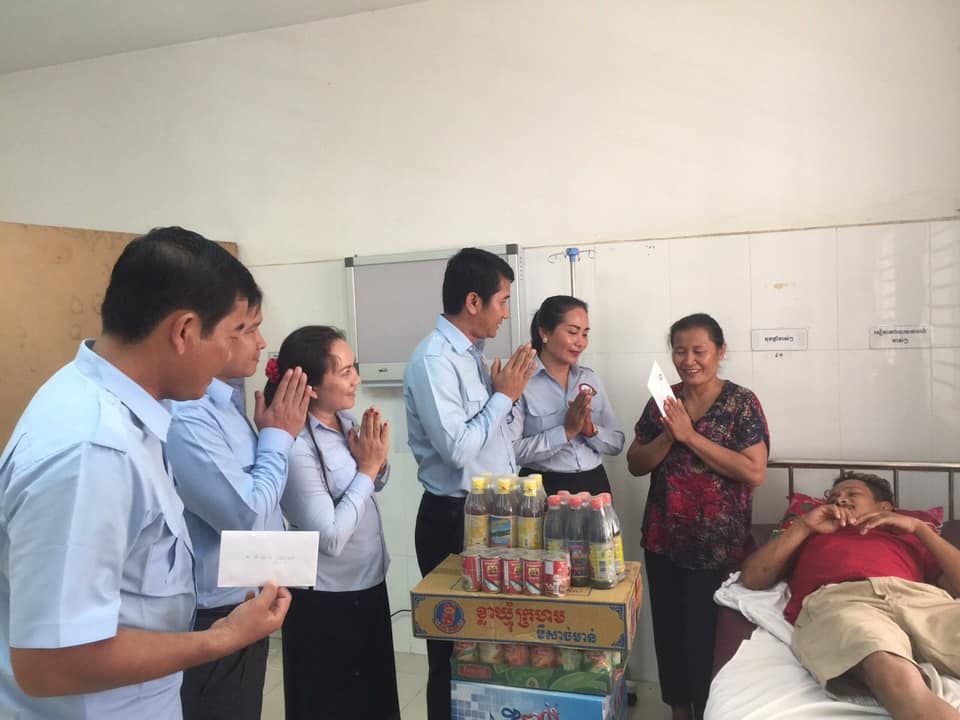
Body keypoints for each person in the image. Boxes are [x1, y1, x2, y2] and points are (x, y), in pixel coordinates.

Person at [0, 227, 291, 720]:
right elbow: (50, 663)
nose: (235, 354)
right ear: (184, 331)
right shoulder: (92, 452)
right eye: (233, 334)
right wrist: (221, 637)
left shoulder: (114, 407)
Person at [166, 279, 313, 719]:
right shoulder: (188, 415)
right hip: (215, 614)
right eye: (247, 329)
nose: (261, 342)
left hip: (247, 603)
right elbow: (244, 516)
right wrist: (277, 437)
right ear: (199, 331)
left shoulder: (227, 402)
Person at [404, 247, 537, 720]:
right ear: (474, 301)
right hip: (453, 520)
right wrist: (503, 397)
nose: (506, 314)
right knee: (453, 650)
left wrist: (507, 398)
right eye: (503, 302)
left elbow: (494, 441)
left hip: (491, 513)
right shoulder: (434, 360)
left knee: (490, 647)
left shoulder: (473, 357)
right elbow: (457, 450)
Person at [626, 312, 768, 720]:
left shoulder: (741, 403)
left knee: (708, 640)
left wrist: (690, 436)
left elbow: (753, 471)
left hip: (717, 547)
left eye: (699, 351)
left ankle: (709, 712)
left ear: (720, 352)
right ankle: (679, 713)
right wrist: (669, 436)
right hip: (664, 539)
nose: (689, 360)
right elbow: (635, 463)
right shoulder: (664, 400)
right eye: (680, 351)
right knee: (670, 634)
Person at [741, 472, 960, 720]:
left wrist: (920, 529)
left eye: (852, 494)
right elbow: (752, 579)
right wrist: (803, 526)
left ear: (884, 507)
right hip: (843, 600)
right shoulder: (809, 534)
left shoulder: (909, 535)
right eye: (833, 497)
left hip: (917, 599)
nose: (840, 500)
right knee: (888, 668)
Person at [276, 326, 399, 720]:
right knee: (332, 705)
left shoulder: (344, 421)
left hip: (368, 584)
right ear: (311, 387)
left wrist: (376, 463)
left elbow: (370, 483)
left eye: (354, 368)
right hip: (326, 601)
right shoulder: (296, 446)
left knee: (374, 703)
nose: (356, 379)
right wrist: (368, 469)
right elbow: (329, 537)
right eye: (345, 372)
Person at [512, 295, 624, 496]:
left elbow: (616, 443)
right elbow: (512, 451)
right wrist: (566, 432)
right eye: (573, 332)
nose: (580, 342)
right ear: (545, 332)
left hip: (594, 485)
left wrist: (590, 431)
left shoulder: (589, 378)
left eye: (585, 334)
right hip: (541, 487)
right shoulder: (520, 381)